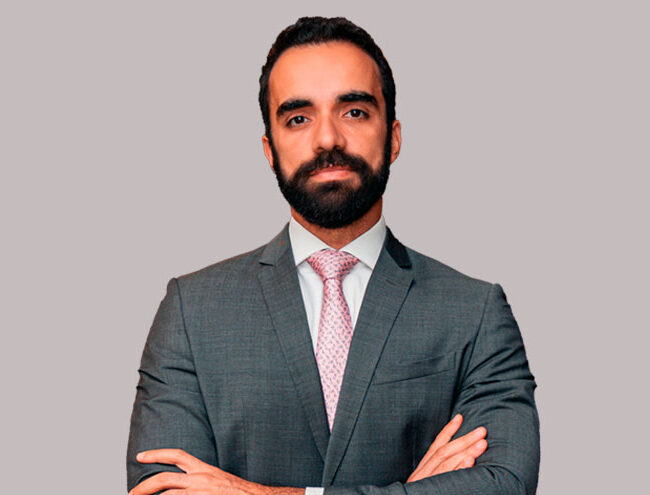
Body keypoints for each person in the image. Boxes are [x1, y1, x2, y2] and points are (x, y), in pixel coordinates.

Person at [127, 16, 539, 495]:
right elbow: (161, 489)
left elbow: (503, 484)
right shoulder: (191, 310)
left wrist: (258, 494)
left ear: (393, 137)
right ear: (269, 150)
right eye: (298, 118)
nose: (327, 139)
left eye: (355, 112)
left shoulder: (475, 312)